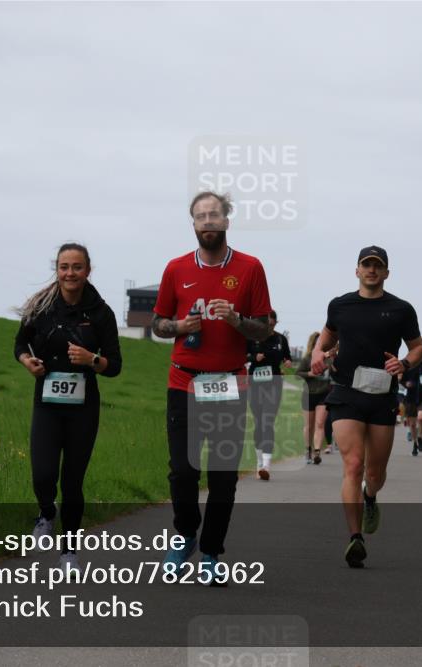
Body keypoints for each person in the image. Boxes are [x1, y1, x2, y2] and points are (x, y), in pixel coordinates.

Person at [151, 191, 272, 586]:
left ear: (226, 221)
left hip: (230, 384)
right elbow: (158, 324)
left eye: (214, 215)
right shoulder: (176, 268)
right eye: (201, 216)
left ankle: (211, 553)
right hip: (184, 382)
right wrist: (178, 327)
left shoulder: (250, 268)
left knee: (223, 477)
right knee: (182, 472)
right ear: (193, 224)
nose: (208, 222)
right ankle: (185, 534)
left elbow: (264, 329)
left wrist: (236, 320)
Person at [311, 246, 422, 568]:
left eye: (378, 266)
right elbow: (326, 337)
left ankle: (370, 495)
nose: (372, 270)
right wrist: (318, 352)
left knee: (374, 473)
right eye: (366, 265)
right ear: (357, 270)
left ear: (386, 273)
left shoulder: (401, 309)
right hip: (346, 392)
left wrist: (404, 364)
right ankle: (355, 537)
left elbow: (417, 347)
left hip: (382, 397)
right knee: (353, 463)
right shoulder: (340, 305)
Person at [14, 243, 122, 578]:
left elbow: (115, 366)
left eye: (77, 267)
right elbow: (19, 344)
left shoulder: (101, 312)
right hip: (46, 404)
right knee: (43, 475)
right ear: (57, 270)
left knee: (72, 482)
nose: (70, 273)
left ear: (88, 271)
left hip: (83, 409)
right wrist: (27, 362)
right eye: (64, 267)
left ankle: (69, 552)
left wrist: (92, 359)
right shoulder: (41, 308)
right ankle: (47, 512)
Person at [247, 310, 292, 479]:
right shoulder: (251, 338)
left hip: (274, 383)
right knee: (259, 422)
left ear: (275, 324)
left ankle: (266, 465)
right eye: (266, 325)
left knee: (267, 421)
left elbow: (287, 356)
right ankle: (259, 463)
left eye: (272, 325)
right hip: (255, 384)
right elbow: (242, 356)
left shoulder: (280, 339)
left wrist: (287, 361)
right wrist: (254, 357)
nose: (269, 328)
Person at [295, 332, 333, 465]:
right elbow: (297, 374)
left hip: (324, 394)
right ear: (313, 344)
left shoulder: (329, 358)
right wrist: (310, 374)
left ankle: (317, 452)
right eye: (318, 343)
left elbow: (335, 373)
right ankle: (308, 451)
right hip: (309, 394)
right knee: (309, 426)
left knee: (320, 423)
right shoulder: (307, 358)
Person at [401, 358, 422, 456]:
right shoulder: (408, 366)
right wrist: (406, 383)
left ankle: (420, 437)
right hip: (411, 398)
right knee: (412, 424)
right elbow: (402, 380)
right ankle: (415, 444)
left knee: (420, 418)